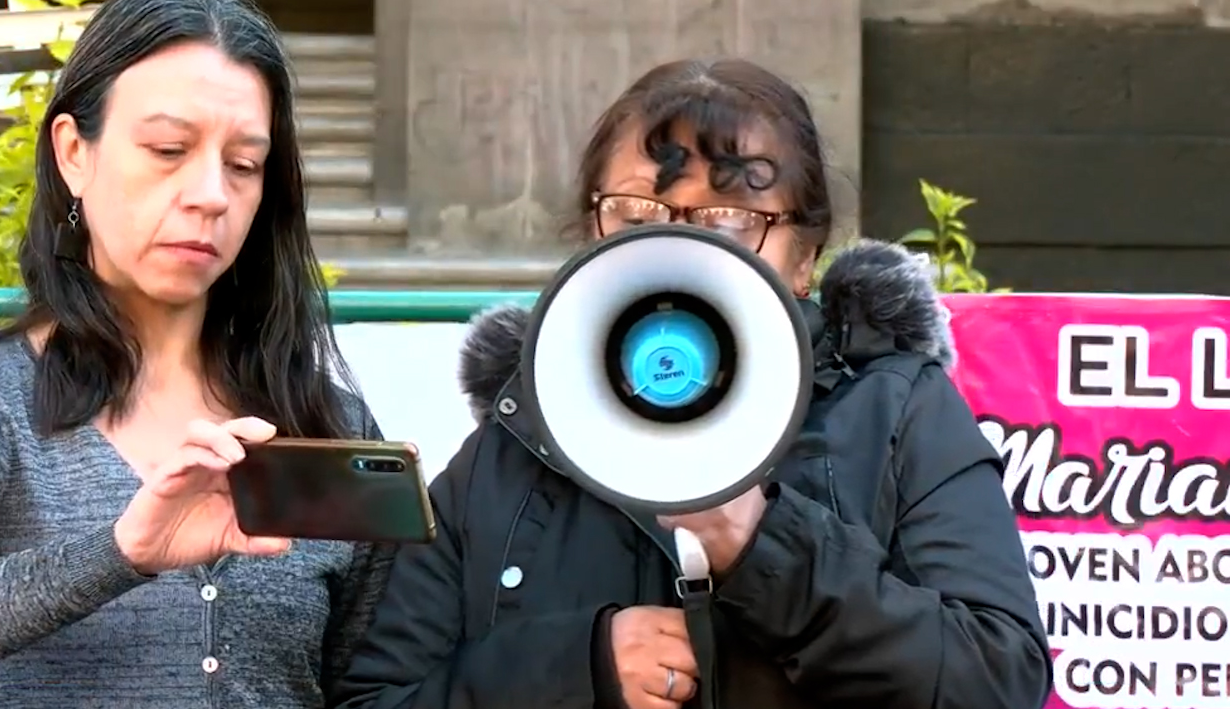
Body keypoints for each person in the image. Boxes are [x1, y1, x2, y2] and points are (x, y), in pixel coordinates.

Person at [330, 57, 1052, 709]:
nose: (673, 246)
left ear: (806, 258)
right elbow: (376, 698)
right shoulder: (512, 452)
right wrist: (578, 671)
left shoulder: (896, 414)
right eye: (637, 214)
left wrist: (767, 548)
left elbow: (997, 678)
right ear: (592, 229)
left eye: (730, 219)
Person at [0, 0, 391, 706]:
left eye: (245, 165)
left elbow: (369, 681)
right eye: (167, 150)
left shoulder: (327, 425)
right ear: (73, 154)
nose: (211, 194)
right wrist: (122, 551)